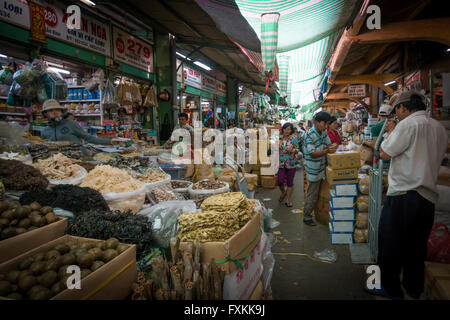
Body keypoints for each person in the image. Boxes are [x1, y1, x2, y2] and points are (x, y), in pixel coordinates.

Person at [365, 91, 448, 300]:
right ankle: (413, 288)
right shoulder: (438, 128)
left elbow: (384, 152)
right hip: (427, 197)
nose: (396, 115)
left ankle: (388, 288)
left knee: (389, 242)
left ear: (403, 108)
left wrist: (391, 131)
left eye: (397, 111)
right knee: (416, 246)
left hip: (404, 194)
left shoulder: (407, 125)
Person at [302, 111, 337, 226]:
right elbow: (312, 153)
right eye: (324, 123)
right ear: (317, 122)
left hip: (321, 167)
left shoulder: (323, 132)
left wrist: (333, 146)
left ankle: (316, 213)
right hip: (313, 169)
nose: (326, 126)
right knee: (312, 193)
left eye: (327, 124)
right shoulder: (309, 134)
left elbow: (328, 144)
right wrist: (327, 150)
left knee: (317, 193)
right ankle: (307, 216)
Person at [41, 99, 111, 146]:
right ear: (46, 114)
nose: (55, 112)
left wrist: (110, 142)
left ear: (61, 111)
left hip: (79, 159)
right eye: (51, 111)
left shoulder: (71, 124)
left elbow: (88, 138)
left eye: (57, 110)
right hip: (61, 163)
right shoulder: (45, 131)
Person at [278, 122, 299, 207]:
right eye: (286, 129)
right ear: (283, 129)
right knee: (280, 181)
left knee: (290, 182)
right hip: (281, 163)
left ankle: (288, 199)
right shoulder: (279, 139)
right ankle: (283, 192)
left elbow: (297, 150)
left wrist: (293, 150)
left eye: (289, 129)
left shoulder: (293, 139)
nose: (287, 131)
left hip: (291, 163)